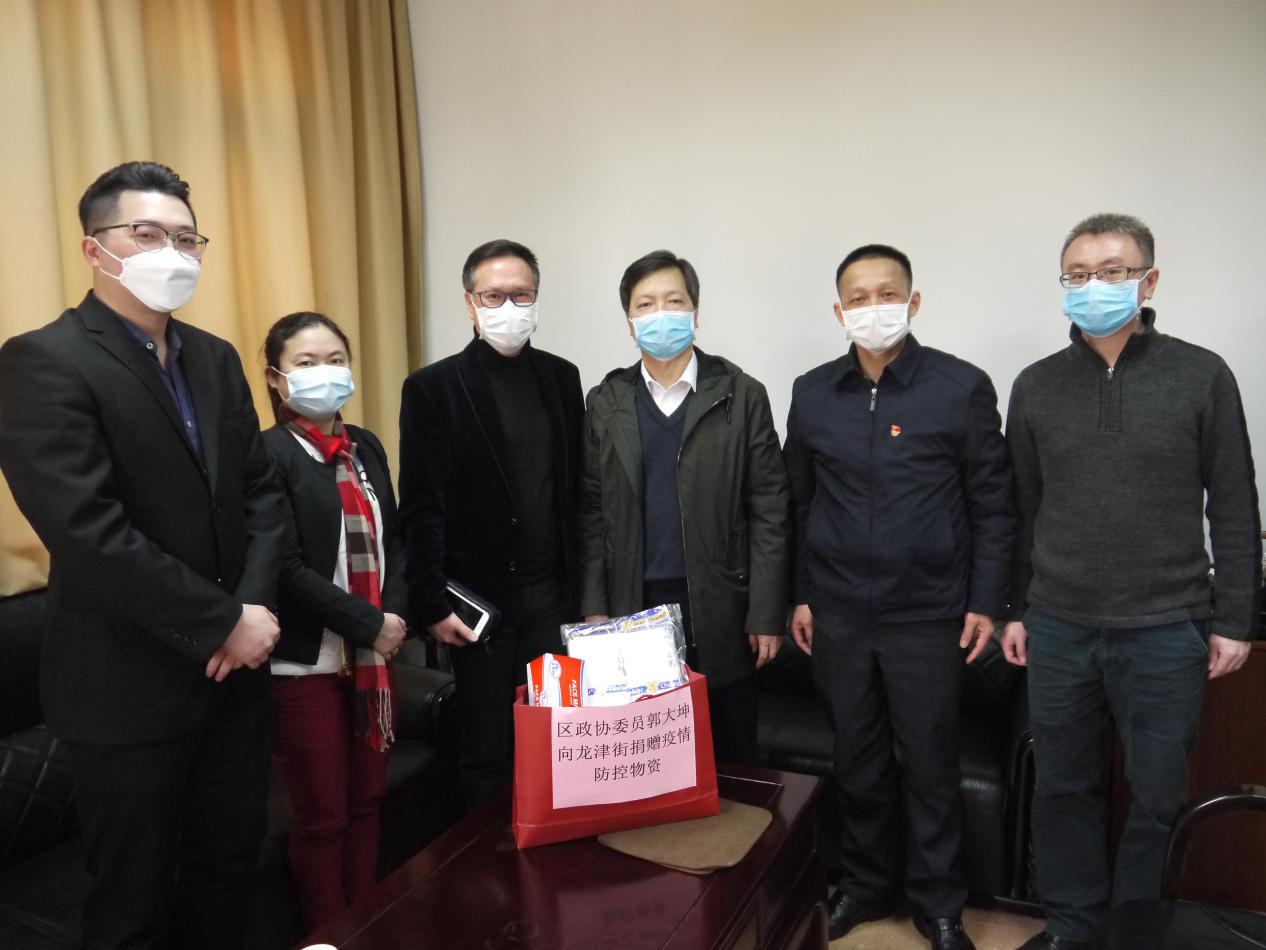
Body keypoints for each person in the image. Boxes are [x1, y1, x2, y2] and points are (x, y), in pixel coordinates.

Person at [0, 161, 284, 949]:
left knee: (228, 873)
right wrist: (221, 621)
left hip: (235, 683)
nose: (173, 253)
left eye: (187, 239)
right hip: (126, 688)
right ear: (94, 249)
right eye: (148, 234)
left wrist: (254, 610)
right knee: (133, 906)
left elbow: (262, 496)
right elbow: (86, 531)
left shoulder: (216, 358)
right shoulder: (44, 359)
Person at [1002, 213, 1261, 950]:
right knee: (1063, 787)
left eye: (1114, 271)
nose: (1096, 285)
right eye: (1079, 274)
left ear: (1149, 281)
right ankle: (1073, 927)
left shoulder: (1202, 375)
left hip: (1167, 626)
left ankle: (1132, 930)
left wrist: (1234, 618)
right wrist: (1015, 606)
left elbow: (1234, 502)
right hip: (1059, 624)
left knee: (1157, 795)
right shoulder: (1036, 384)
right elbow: (1020, 507)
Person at [784, 244, 1014, 950]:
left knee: (930, 761)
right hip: (838, 611)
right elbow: (799, 503)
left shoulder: (960, 387)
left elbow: (994, 504)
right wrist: (801, 595)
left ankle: (939, 903)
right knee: (857, 759)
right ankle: (865, 885)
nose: (873, 307)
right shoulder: (812, 393)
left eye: (887, 294)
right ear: (839, 311)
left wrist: (986, 600)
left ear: (913, 303)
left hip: (929, 613)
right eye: (858, 297)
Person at [578, 249, 789, 764]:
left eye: (674, 301)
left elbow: (770, 510)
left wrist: (766, 612)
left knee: (731, 757)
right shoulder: (605, 401)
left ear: (696, 311)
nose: (661, 314)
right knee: (648, 761)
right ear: (629, 322)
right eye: (645, 304)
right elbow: (591, 510)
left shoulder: (741, 395)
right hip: (634, 606)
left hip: (720, 602)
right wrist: (594, 606)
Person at [398, 239, 584, 805]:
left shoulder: (562, 377)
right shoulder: (432, 387)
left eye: (521, 295)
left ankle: (553, 845)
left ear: (537, 299)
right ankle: (491, 860)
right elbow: (421, 505)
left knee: (559, 738)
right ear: (470, 303)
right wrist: (430, 604)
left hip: (554, 599)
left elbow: (574, 491)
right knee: (487, 750)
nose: (509, 307)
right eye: (493, 296)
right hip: (480, 606)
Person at [260, 311, 410, 930]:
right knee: (323, 816)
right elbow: (283, 565)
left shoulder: (364, 445)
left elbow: (394, 539)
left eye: (335, 360)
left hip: (374, 656)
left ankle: (366, 924)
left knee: (369, 800)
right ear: (275, 378)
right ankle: (331, 934)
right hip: (306, 661)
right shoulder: (267, 454)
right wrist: (368, 623)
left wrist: (393, 614)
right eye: (305, 363)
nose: (324, 373)